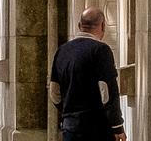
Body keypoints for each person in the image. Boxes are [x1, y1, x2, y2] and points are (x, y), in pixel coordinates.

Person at [51, 10, 125, 141]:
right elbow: (107, 91)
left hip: (70, 127)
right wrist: (117, 126)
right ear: (103, 26)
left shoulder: (62, 51)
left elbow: (54, 93)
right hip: (96, 128)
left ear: (79, 25)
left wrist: (69, 113)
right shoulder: (101, 50)